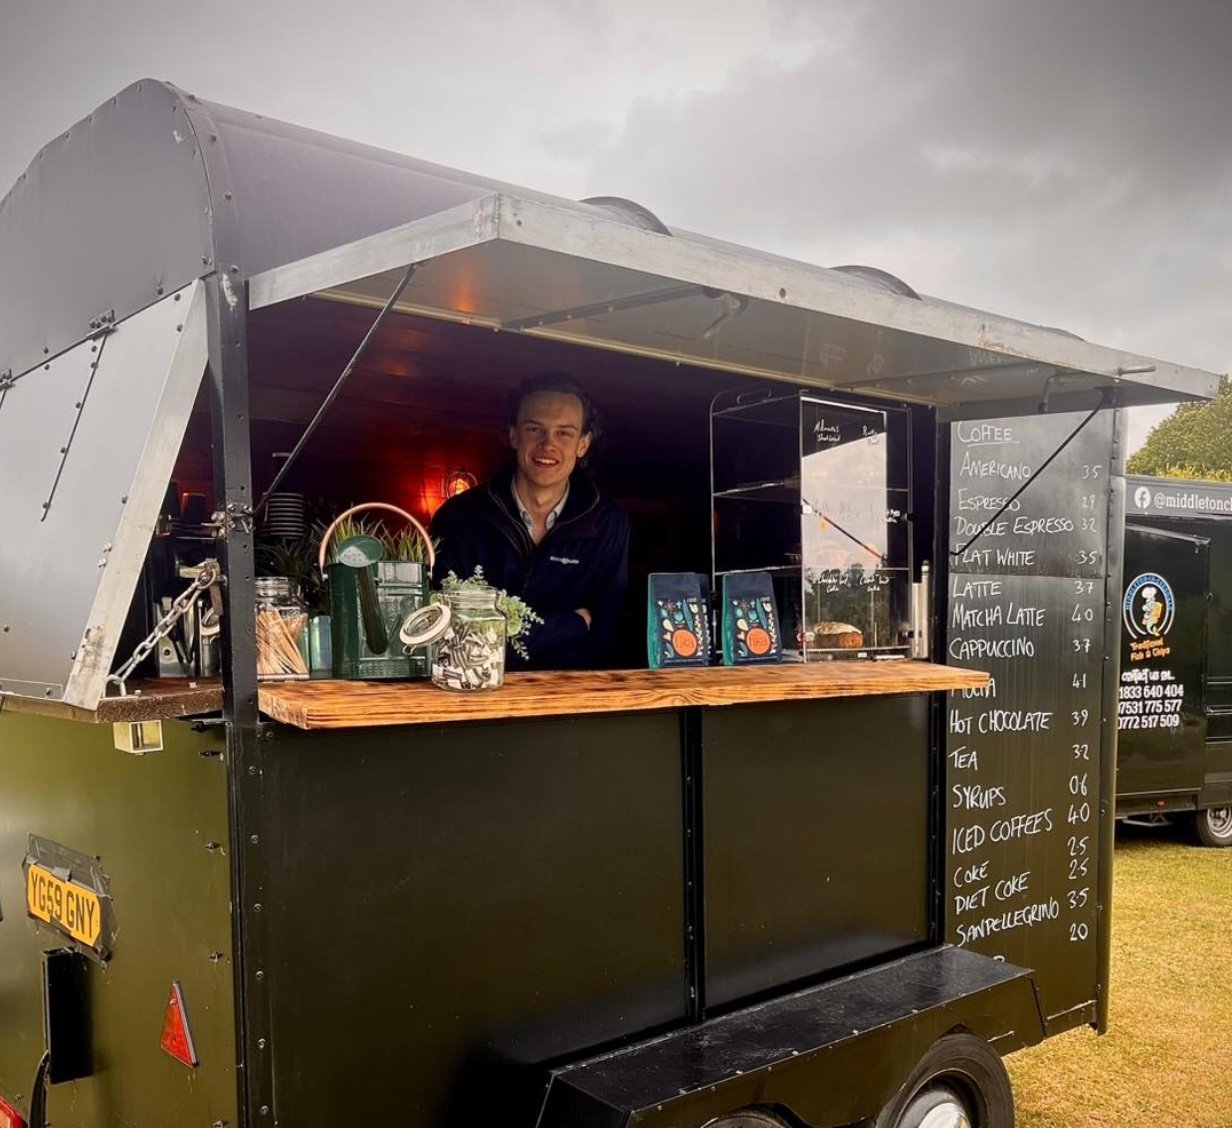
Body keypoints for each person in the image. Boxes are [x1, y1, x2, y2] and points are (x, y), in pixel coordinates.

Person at [430, 371, 630, 670]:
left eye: (564, 432)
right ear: (513, 435)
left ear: (583, 444)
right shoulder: (459, 517)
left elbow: (605, 633)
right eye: (535, 429)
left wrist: (499, 631)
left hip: (570, 701)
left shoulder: (608, 523)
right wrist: (572, 624)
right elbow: (449, 634)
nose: (548, 444)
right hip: (474, 696)